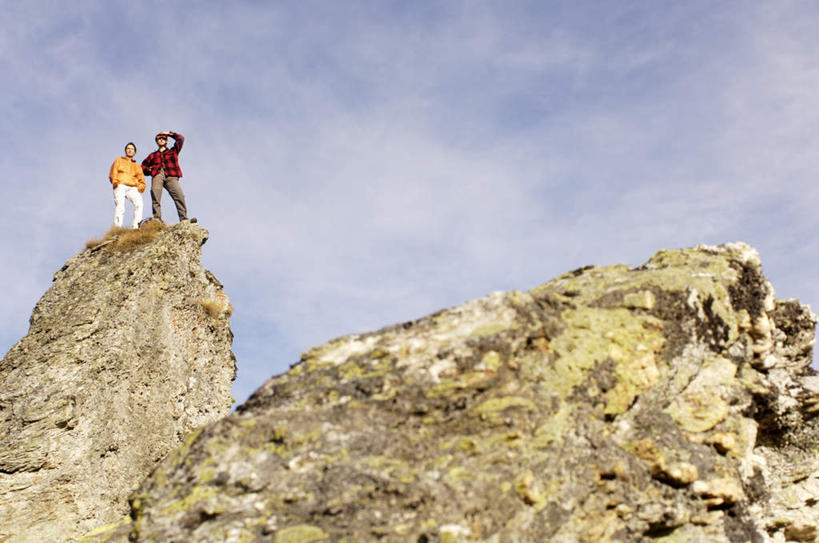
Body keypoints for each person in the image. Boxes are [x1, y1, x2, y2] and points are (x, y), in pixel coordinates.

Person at [141, 131, 194, 222]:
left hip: (171, 175)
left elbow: (181, 138)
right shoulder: (153, 155)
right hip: (157, 174)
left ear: (166, 141)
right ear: (157, 141)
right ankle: (157, 218)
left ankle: (184, 218)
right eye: (159, 138)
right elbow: (142, 166)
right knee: (155, 194)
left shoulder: (173, 151)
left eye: (164, 138)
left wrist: (169, 133)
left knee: (179, 195)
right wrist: (150, 170)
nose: (161, 139)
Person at [109, 142, 146, 229]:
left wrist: (140, 187)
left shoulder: (137, 166)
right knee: (120, 206)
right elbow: (113, 171)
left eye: (132, 149)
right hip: (121, 184)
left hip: (132, 187)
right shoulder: (118, 160)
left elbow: (141, 178)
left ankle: (136, 227)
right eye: (128, 148)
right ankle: (117, 228)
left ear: (134, 152)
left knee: (139, 204)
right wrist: (115, 182)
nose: (130, 150)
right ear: (125, 150)